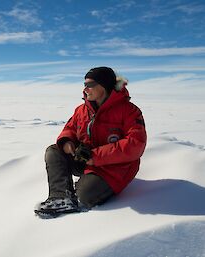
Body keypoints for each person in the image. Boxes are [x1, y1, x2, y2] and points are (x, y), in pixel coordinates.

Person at [35, 66, 147, 218]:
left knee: (84, 196)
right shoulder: (82, 110)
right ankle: (61, 198)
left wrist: (95, 156)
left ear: (104, 86)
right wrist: (68, 142)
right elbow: (70, 129)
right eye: (84, 84)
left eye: (90, 85)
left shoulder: (129, 111)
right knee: (54, 151)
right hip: (85, 160)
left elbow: (135, 145)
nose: (85, 89)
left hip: (114, 169)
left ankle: (81, 192)